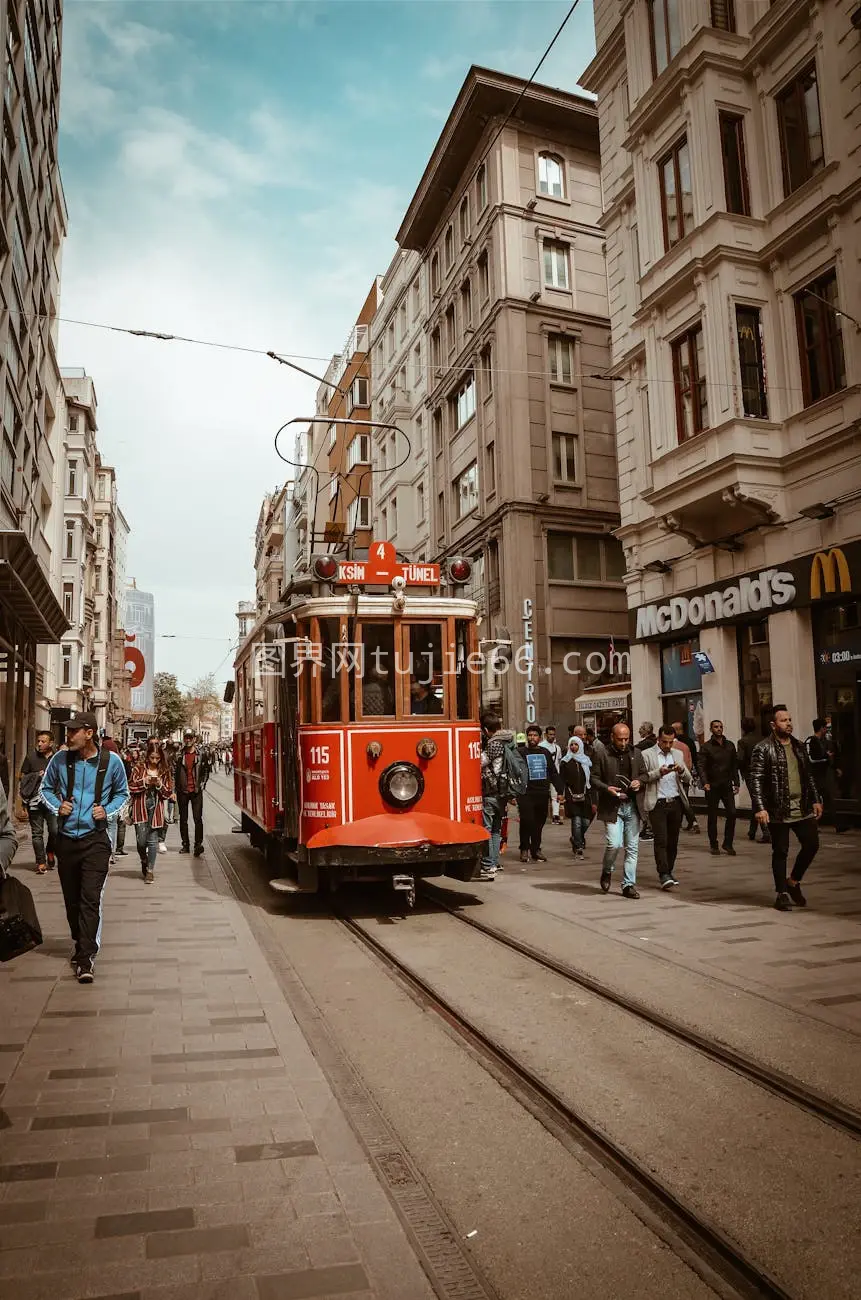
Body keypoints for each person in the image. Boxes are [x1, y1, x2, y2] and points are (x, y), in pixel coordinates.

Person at [40, 711, 129, 983]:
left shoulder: (111, 762)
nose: (68, 736)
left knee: (90, 899)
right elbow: (45, 789)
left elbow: (122, 795)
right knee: (72, 901)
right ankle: (80, 941)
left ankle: (86, 957)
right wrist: (58, 805)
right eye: (67, 732)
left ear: (89, 733)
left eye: (73, 731)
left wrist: (107, 811)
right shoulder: (60, 759)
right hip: (66, 839)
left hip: (96, 841)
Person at [750, 705, 822, 911]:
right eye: (783, 720)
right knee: (780, 851)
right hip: (777, 809)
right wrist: (760, 808)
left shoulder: (799, 746)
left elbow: (809, 776)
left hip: (802, 806)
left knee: (812, 845)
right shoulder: (763, 748)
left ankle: (793, 881)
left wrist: (816, 799)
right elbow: (755, 780)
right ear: (773, 725)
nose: (788, 723)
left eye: (790, 720)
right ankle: (781, 893)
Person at [591, 722, 646, 899]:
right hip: (612, 806)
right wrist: (607, 788)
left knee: (632, 848)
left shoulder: (636, 753)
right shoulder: (602, 753)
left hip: (632, 806)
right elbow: (593, 778)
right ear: (613, 737)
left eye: (626, 739)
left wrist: (640, 781)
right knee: (614, 844)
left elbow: (644, 774)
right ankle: (607, 870)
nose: (623, 743)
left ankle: (628, 884)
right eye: (620, 739)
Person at [641, 725, 692, 889]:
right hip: (658, 802)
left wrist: (682, 770)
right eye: (664, 742)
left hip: (675, 801)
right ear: (658, 739)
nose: (668, 746)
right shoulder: (647, 754)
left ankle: (669, 871)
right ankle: (663, 873)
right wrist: (659, 773)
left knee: (673, 841)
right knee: (661, 839)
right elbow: (643, 778)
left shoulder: (677, 754)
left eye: (671, 742)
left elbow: (688, 779)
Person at [478, 712, 517, 881]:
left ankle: (488, 865)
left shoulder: (494, 744)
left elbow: (480, 762)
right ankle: (493, 863)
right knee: (495, 830)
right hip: (502, 793)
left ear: (486, 730)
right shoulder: (508, 741)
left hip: (491, 792)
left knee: (487, 829)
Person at [517, 724, 563, 863]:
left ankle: (536, 849)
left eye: (535, 735)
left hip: (542, 793)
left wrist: (560, 790)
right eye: (530, 735)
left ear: (539, 737)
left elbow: (553, 773)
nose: (532, 738)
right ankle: (524, 848)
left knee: (539, 823)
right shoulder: (520, 752)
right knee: (527, 820)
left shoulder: (545, 753)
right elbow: (513, 773)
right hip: (525, 793)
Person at [129, 740, 173, 883]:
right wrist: (144, 782)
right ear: (147, 756)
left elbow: (167, 793)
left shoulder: (164, 771)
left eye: (157, 758)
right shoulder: (138, 768)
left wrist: (159, 785)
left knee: (152, 841)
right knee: (141, 841)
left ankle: (150, 871)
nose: (154, 760)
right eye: (152, 757)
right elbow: (130, 787)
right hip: (140, 807)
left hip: (156, 808)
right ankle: (144, 859)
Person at [700, 720, 740, 856]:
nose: (719, 729)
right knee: (712, 815)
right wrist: (705, 782)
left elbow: (734, 764)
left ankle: (728, 843)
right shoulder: (706, 747)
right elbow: (702, 766)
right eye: (716, 727)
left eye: (721, 727)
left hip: (727, 784)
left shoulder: (730, 745)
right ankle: (713, 844)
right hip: (712, 785)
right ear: (711, 729)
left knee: (732, 813)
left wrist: (737, 782)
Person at [19, 730, 57, 873]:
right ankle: (40, 862)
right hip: (34, 801)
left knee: (55, 831)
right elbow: (22, 779)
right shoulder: (31, 757)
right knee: (37, 833)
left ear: (51, 743)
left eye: (43, 741)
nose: (40, 744)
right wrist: (36, 775)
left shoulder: (57, 758)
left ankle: (50, 851)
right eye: (39, 741)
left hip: (53, 801)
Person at [806, 719, 848, 833]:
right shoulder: (811, 741)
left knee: (827, 800)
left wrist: (835, 767)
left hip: (822, 776)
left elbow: (825, 757)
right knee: (818, 800)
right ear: (821, 728)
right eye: (825, 728)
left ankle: (837, 825)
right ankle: (816, 824)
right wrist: (826, 756)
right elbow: (812, 759)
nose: (826, 730)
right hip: (815, 777)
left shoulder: (823, 741)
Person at [174, 730, 210, 856]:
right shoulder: (179, 754)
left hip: (196, 790)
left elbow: (206, 770)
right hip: (182, 791)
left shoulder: (201, 754)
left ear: (195, 739)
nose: (188, 740)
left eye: (190, 737)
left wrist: (202, 784)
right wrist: (175, 788)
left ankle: (198, 844)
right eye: (186, 738)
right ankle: (185, 844)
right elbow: (174, 772)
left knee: (197, 818)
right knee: (183, 819)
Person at [737, 718, 769, 843]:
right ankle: (752, 831)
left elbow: (740, 759)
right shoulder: (762, 739)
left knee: (757, 801)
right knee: (756, 801)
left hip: (751, 774)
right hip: (763, 773)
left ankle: (766, 831)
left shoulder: (742, 741)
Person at [561, 736, 592, 858]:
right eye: (571, 745)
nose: (574, 747)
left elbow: (591, 779)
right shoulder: (565, 761)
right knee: (577, 822)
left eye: (576, 744)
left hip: (585, 795)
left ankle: (575, 838)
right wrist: (562, 794)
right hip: (571, 796)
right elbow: (562, 779)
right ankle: (578, 847)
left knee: (585, 822)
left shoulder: (586, 761)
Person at [671, 722, 701, 834]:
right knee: (684, 799)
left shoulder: (673, 746)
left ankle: (693, 821)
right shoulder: (688, 744)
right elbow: (691, 761)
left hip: (675, 777)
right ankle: (690, 822)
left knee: (682, 801)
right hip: (686, 775)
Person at [542, 725, 564, 824]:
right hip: (543, 775)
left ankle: (556, 815)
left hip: (554, 775)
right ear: (546, 735)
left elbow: (558, 762)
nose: (552, 736)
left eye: (553, 734)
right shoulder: (541, 746)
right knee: (543, 795)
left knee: (555, 796)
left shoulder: (557, 748)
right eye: (550, 734)